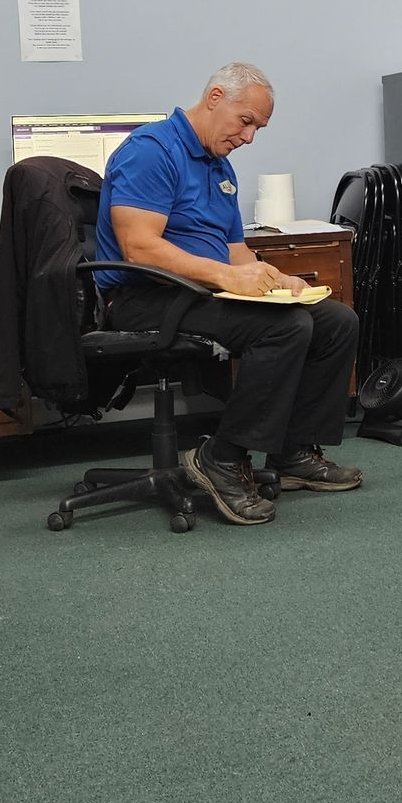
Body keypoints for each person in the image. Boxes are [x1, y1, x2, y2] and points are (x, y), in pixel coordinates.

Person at [95, 62, 361, 526]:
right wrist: (225, 277)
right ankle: (222, 456)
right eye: (247, 121)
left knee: (336, 321)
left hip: (199, 291)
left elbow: (236, 250)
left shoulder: (221, 168)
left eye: (259, 127)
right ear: (215, 97)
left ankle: (293, 452)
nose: (251, 136)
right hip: (142, 295)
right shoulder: (151, 150)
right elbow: (139, 248)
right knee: (283, 328)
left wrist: (276, 278)